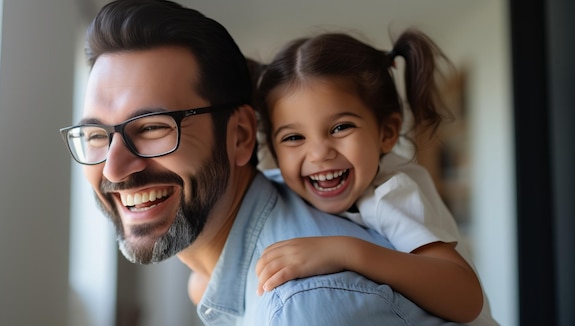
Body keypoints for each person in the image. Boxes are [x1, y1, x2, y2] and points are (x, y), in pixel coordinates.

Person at [59, 0, 463, 325]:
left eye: (151, 128)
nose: (113, 168)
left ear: (240, 136)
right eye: (96, 136)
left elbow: (463, 292)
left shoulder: (302, 308)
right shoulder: (217, 271)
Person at [252, 31, 498, 325]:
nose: (318, 153)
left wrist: (346, 252)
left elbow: (465, 297)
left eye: (341, 127)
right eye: (293, 137)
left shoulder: (391, 193)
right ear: (274, 151)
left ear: (387, 132)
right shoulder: (280, 183)